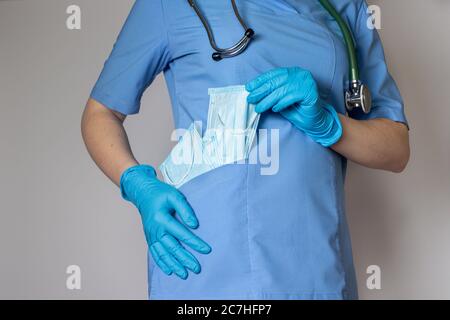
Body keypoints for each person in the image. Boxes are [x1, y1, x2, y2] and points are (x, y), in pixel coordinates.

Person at [81, 0, 409, 300]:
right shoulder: (170, 4)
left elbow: (395, 149)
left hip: (316, 263)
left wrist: (330, 123)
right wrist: (137, 185)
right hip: (206, 255)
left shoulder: (343, 6)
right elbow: (100, 114)